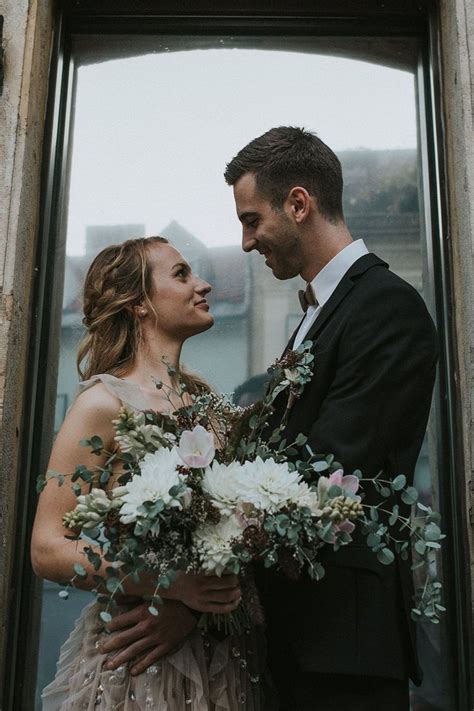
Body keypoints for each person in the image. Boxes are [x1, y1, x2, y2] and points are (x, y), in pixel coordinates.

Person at [224, 126, 439, 711]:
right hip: (300, 639)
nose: (246, 243)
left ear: (298, 203)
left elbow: (332, 465)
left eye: (251, 220)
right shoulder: (317, 313)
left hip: (345, 648)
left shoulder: (386, 306)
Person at [31, 236, 268, 710]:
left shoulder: (213, 410)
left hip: (223, 653)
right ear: (138, 304)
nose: (202, 285)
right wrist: (170, 586)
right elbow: (48, 547)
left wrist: (199, 604)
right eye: (181, 274)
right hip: (141, 660)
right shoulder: (103, 405)